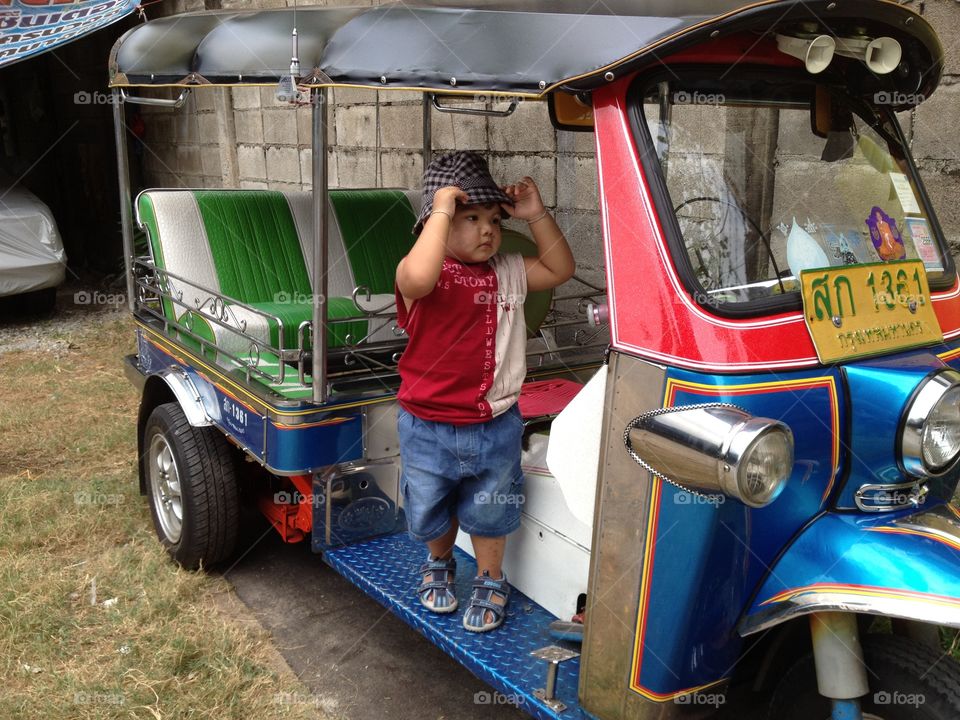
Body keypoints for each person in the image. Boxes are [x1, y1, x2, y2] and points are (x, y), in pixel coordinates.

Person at [394, 151, 575, 632]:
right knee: (430, 504)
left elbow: (559, 269)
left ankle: (491, 576)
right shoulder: (420, 275)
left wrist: (534, 214)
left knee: (492, 507)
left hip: (495, 422)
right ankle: (439, 563)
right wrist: (441, 211)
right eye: (470, 218)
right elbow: (418, 274)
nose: (487, 229)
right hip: (427, 423)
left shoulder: (509, 271)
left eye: (493, 218)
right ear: (432, 224)